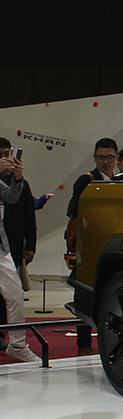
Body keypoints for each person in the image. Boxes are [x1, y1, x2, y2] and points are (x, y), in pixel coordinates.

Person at [66, 137, 118, 356]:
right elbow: (78, 212)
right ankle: (84, 345)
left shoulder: (120, 181)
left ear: (116, 158)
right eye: (101, 157)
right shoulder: (86, 180)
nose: (105, 161)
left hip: (111, 245)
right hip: (88, 246)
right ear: (95, 158)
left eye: (109, 157)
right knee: (84, 296)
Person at [0, 147, 39, 363]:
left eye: (7, 154)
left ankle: (17, 344)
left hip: (1, 247)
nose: (5, 158)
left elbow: (12, 197)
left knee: (15, 294)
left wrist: (17, 178)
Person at [0, 138, 37, 295]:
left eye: (7, 154)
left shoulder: (21, 183)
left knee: (12, 292)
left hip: (12, 243)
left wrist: (30, 245)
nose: (4, 159)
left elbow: (28, 214)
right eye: (0, 155)